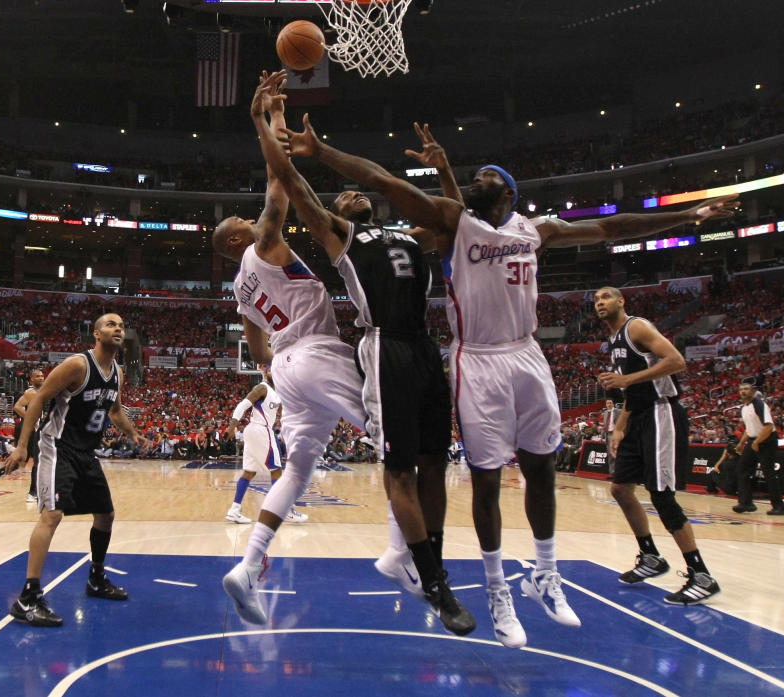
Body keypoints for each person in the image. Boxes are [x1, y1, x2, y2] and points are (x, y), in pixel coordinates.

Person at [281, 115, 738, 644]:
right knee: (485, 479)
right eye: (470, 181)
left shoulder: (533, 230)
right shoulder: (456, 222)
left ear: (509, 194)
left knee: (541, 468)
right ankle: (495, 591)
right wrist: (320, 149)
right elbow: (389, 183)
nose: (476, 183)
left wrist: (687, 215)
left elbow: (613, 228)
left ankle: (546, 574)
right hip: (475, 358)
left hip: (525, 353)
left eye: (485, 180)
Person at [218, 72, 472, 636]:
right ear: (237, 240)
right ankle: (400, 555)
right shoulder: (262, 244)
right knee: (394, 444)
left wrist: (274, 373)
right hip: (317, 353)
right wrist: (270, 118)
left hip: (288, 367)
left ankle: (249, 562)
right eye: (239, 223)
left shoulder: (241, 288)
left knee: (299, 469)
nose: (247, 219)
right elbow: (278, 184)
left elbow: (256, 340)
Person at [2, 313, 147, 627]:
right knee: (51, 515)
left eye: (121, 325)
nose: (118, 329)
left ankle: (96, 578)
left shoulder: (118, 372)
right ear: (96, 333)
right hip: (58, 447)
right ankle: (28, 598)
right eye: (111, 324)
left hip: (86, 453)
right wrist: (23, 445)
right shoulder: (77, 365)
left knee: (105, 514)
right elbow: (39, 399)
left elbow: (115, 410)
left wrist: (133, 433)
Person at [595, 286, 721, 605]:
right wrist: (620, 428)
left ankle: (701, 575)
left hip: (661, 411)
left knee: (662, 495)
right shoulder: (613, 341)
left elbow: (676, 361)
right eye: (596, 300)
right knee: (620, 489)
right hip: (638, 416)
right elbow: (632, 394)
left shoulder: (636, 326)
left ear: (621, 301)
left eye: (605, 297)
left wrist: (625, 381)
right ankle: (651, 556)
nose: (599, 303)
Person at [224, 365, 308, 525]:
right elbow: (243, 405)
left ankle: (234, 510)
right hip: (260, 430)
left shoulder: (278, 393)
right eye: (269, 370)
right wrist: (232, 426)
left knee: (249, 472)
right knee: (276, 471)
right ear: (266, 372)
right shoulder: (262, 388)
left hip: (256, 432)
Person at [0, 369, 45, 499]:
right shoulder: (31, 392)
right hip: (28, 427)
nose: (41, 378)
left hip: (29, 427)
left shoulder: (41, 391)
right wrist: (33, 420)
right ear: (31, 379)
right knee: (38, 461)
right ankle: (33, 493)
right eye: (37, 376)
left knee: (22, 460)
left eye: (42, 376)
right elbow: (17, 407)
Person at [734, 383, 784, 515]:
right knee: (743, 469)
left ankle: (780, 507)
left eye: (746, 389)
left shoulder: (759, 404)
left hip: (767, 440)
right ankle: (746, 503)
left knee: (768, 473)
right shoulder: (744, 408)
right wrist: (741, 443)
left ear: (752, 391)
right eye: (741, 389)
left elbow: (768, 426)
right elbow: (750, 428)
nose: (743, 391)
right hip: (754, 440)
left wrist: (757, 442)